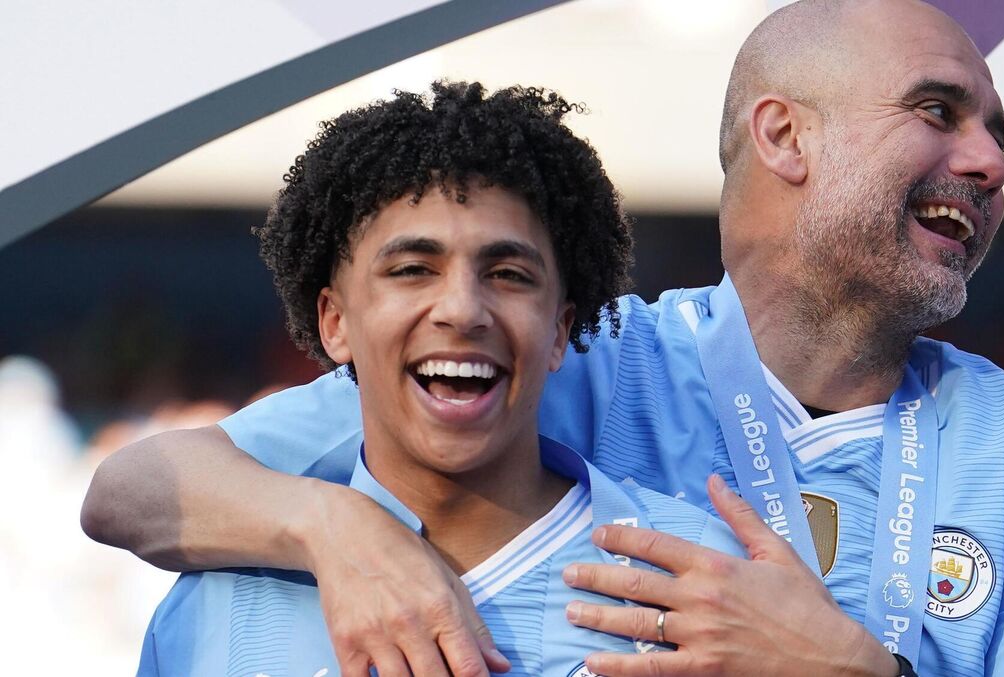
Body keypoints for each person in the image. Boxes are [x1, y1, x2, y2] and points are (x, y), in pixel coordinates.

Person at [84, 1, 1004, 675]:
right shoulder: (569, 354)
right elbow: (136, 489)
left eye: (999, 132)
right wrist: (334, 526)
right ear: (783, 134)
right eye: (941, 112)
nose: (991, 161)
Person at [135, 81, 765, 676]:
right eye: (413, 269)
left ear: (557, 332)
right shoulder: (214, 608)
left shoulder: (704, 585)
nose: (462, 310)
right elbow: (125, 494)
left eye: (509, 274)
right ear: (334, 322)